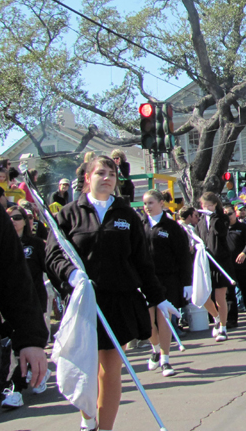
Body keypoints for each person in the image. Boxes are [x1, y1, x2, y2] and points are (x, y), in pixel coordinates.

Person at [46, 155, 177, 431]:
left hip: (119, 301)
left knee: (111, 370)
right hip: (84, 303)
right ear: (87, 177)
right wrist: (70, 274)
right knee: (85, 369)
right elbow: (53, 254)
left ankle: (104, 428)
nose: (107, 178)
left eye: (112, 174)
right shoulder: (68, 214)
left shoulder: (128, 215)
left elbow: (142, 261)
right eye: (101, 173)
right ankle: (87, 418)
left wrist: (159, 297)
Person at [0, 205, 50, 409]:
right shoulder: (2, 243)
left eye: (19, 217)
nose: (14, 221)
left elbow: (51, 270)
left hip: (34, 304)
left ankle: (17, 389)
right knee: (11, 349)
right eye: (9, 217)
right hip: (6, 307)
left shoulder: (36, 245)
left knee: (25, 347)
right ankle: (36, 372)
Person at [141, 189, 192, 377]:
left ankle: (165, 359)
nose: (147, 207)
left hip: (168, 279)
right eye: (145, 203)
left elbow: (183, 256)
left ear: (161, 203)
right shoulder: (140, 225)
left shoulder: (172, 227)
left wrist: (187, 283)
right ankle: (155, 348)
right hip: (145, 280)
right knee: (147, 322)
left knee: (164, 320)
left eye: (150, 203)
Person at [196, 192, 233, 342]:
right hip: (207, 262)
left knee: (220, 297)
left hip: (221, 262)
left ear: (215, 205)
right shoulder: (199, 222)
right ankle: (217, 318)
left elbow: (221, 232)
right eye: (204, 206)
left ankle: (223, 328)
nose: (206, 208)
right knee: (204, 297)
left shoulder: (221, 219)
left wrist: (213, 217)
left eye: (209, 205)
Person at [225, 204, 246, 326]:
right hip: (229, 266)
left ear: (235, 214)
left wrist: (244, 253)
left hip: (243, 265)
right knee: (230, 294)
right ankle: (232, 319)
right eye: (225, 215)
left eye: (229, 214)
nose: (228, 217)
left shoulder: (243, 227)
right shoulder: (222, 229)